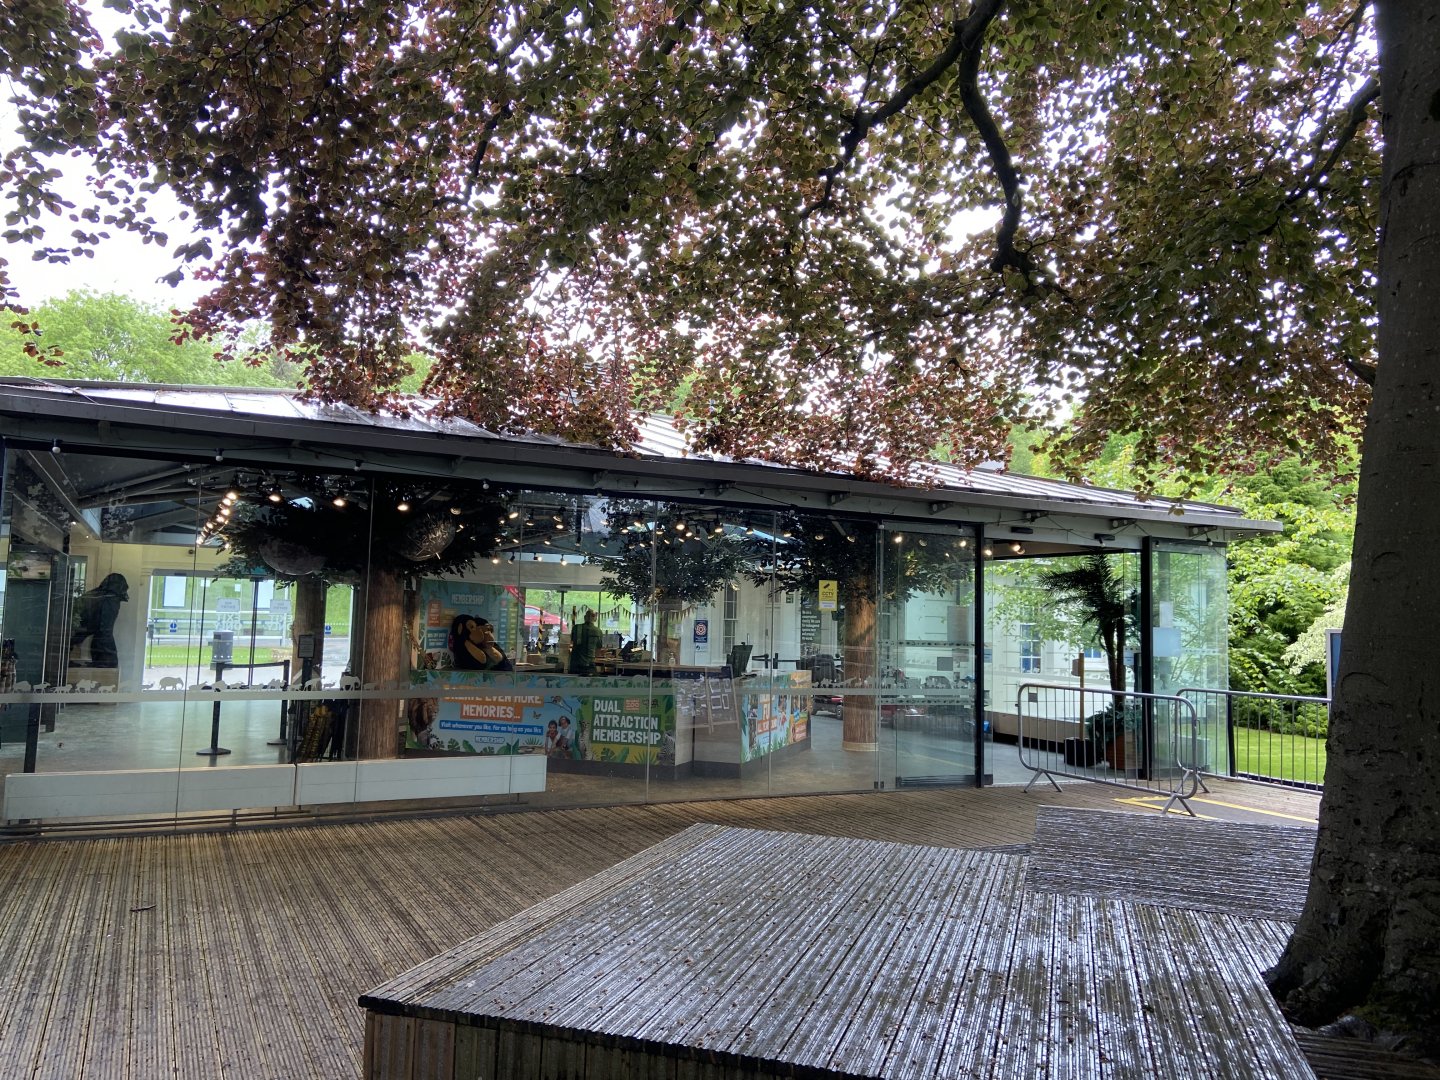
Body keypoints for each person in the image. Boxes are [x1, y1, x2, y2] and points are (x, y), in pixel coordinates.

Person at [70, 572, 129, 667]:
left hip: (74, 630)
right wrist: (108, 659)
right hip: (76, 631)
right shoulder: (110, 599)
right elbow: (105, 630)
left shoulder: (97, 594)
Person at [449, 614, 513, 671]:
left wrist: (489, 649)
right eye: (483, 631)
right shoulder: (467, 647)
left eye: (489, 630)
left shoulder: (493, 646)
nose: (488, 634)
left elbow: (506, 665)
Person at [567, 609, 604, 675]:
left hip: (576, 664)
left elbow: (571, 642)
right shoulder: (598, 631)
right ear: (595, 619)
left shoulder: (576, 628)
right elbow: (598, 649)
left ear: (584, 617)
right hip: (589, 664)